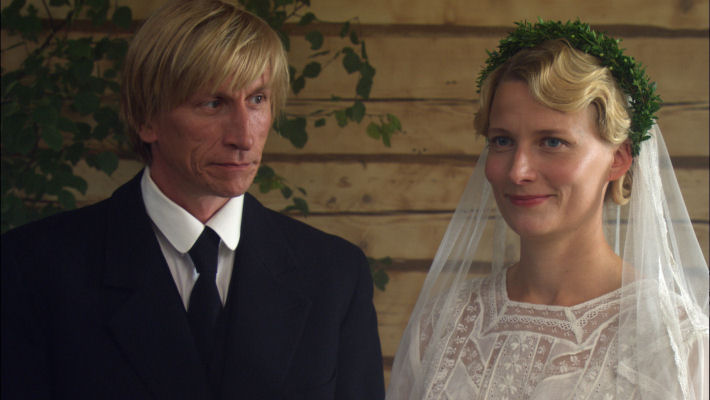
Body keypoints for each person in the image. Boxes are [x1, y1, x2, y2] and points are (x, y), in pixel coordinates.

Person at [1, 1, 385, 399]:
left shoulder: (336, 275)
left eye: (257, 100)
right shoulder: (31, 270)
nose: (244, 136)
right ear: (146, 119)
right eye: (212, 104)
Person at [386, 20, 708, 399]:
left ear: (618, 159)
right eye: (502, 141)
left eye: (552, 142)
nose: (518, 171)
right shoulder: (442, 326)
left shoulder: (678, 346)